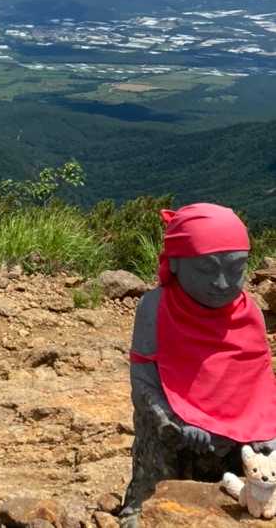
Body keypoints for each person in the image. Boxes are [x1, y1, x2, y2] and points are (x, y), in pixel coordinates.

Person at [121, 203, 276, 524]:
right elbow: (144, 381)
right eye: (206, 270)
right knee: (157, 454)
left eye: (236, 269)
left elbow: (260, 380)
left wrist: (266, 428)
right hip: (176, 427)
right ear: (176, 263)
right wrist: (174, 421)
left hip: (241, 431)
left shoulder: (248, 313)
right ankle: (143, 507)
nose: (222, 282)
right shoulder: (155, 307)